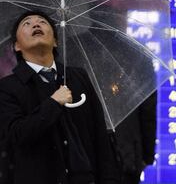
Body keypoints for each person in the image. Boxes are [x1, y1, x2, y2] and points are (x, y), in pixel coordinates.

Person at [0, 10, 120, 184]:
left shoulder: (78, 77)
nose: (35, 24)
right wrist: (53, 103)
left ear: (55, 41)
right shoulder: (8, 87)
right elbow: (16, 136)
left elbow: (99, 133)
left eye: (42, 22)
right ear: (17, 46)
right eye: (27, 23)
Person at [110, 92, 157, 184]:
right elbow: (148, 118)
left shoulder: (96, 79)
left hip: (102, 157)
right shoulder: (140, 81)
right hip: (129, 158)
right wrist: (147, 157)